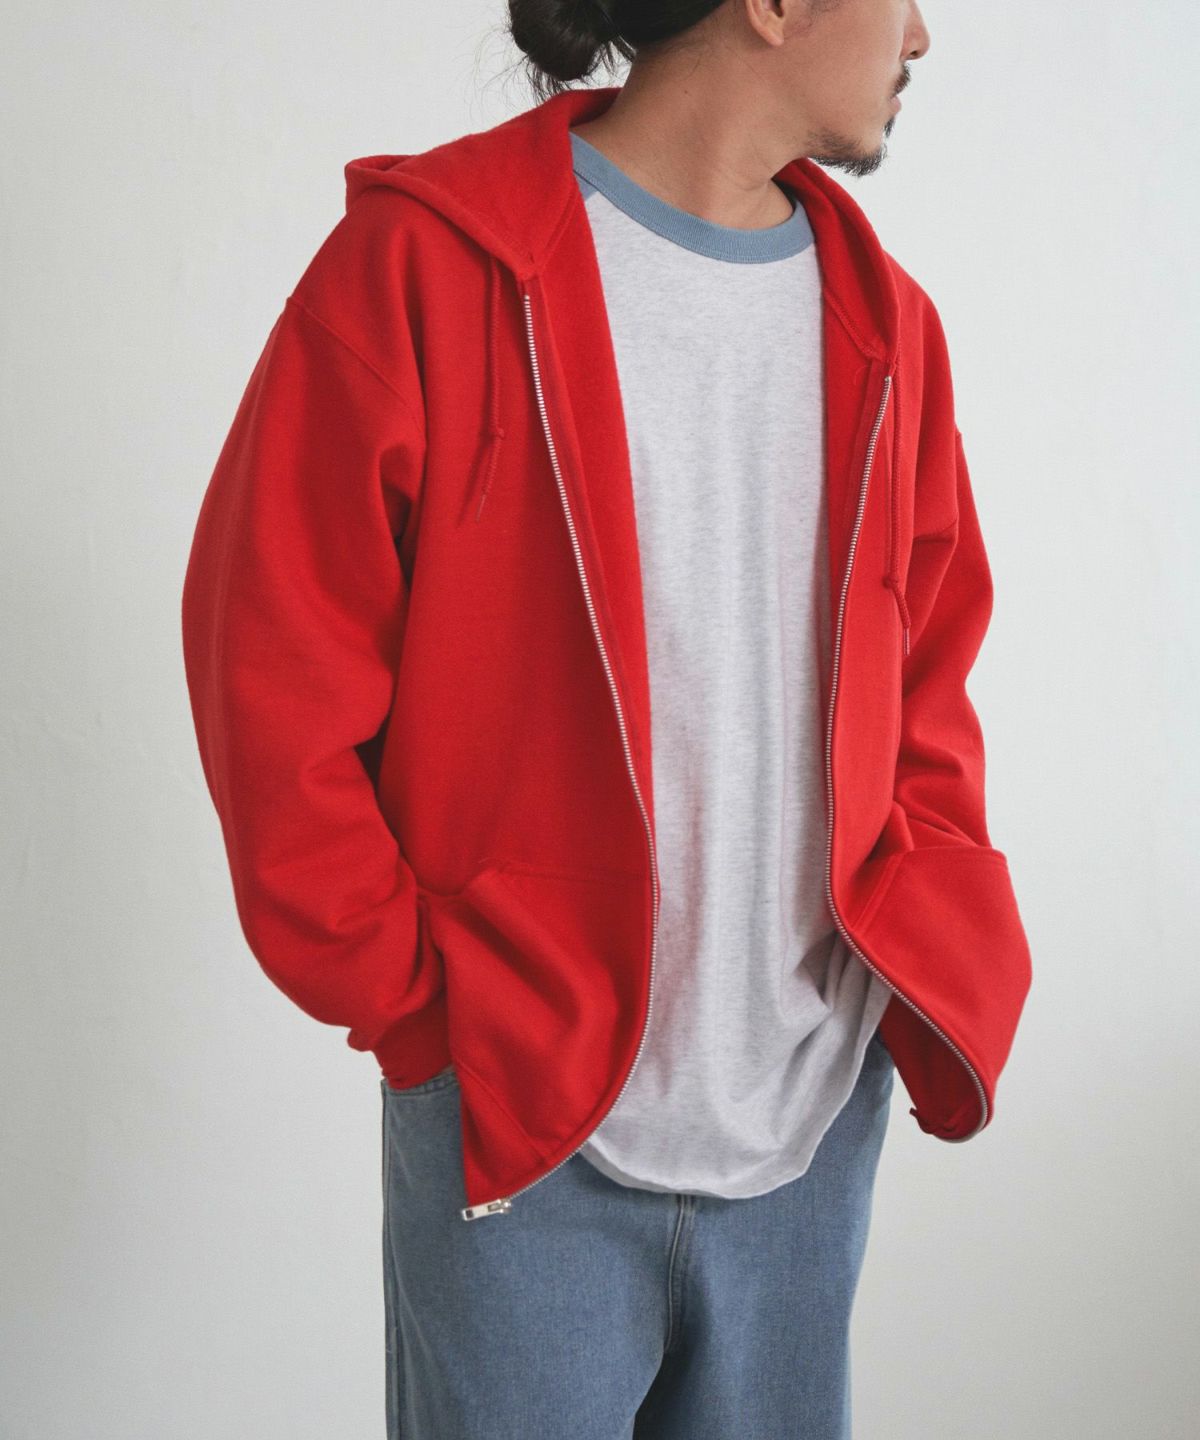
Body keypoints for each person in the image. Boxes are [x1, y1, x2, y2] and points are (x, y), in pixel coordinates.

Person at [180, 1, 1033, 1435]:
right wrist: (416, 1003)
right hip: (518, 1113)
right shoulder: (432, 265)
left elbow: (931, 676)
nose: (923, 35)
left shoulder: (891, 328)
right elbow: (270, 659)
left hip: (809, 1117)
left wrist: (920, 919)